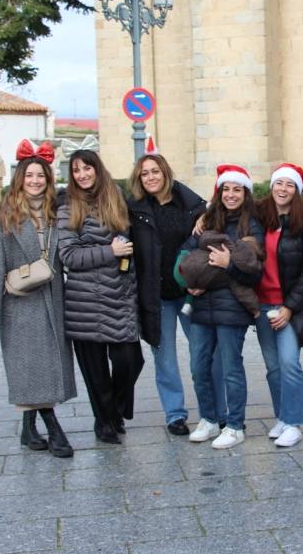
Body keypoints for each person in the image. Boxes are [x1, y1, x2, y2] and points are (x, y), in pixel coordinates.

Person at [0, 147, 77, 457]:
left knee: (43, 366)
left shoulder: (57, 210)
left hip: (54, 298)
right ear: (19, 179)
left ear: (48, 179)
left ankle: (27, 430)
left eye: (41, 175)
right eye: (29, 175)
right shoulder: (4, 214)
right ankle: (55, 431)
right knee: (32, 368)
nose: (35, 181)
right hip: (20, 303)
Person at [127, 154, 229, 436]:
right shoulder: (133, 209)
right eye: (144, 173)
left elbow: (213, 235)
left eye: (155, 171)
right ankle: (175, 414)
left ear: (166, 173)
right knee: (165, 359)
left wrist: (206, 216)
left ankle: (218, 412)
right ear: (139, 178)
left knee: (206, 354)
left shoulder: (190, 206)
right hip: (155, 295)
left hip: (189, 292)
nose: (150, 177)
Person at [58, 149, 142, 445]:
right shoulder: (68, 206)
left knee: (130, 361)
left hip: (119, 295)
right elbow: (68, 255)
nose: (82, 175)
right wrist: (110, 251)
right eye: (76, 170)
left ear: (97, 169)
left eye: (87, 169)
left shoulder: (115, 196)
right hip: (85, 301)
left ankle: (113, 411)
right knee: (95, 371)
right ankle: (104, 421)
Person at [182, 164, 264, 450]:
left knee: (231, 367)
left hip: (232, 307)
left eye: (237, 189)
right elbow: (187, 252)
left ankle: (235, 425)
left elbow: (254, 271)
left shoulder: (252, 225)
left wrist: (228, 265)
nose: (231, 194)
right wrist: (188, 282)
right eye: (226, 189)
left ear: (245, 193)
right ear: (219, 192)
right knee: (198, 365)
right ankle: (208, 418)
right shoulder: (205, 221)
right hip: (203, 305)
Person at [252, 163, 303, 447]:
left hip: (290, 305)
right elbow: (223, 214)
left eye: (289, 185)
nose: (283, 189)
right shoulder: (257, 215)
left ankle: (293, 422)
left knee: (289, 362)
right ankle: (282, 416)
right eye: (279, 183)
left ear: (297, 190)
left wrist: (289, 308)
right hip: (262, 304)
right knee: (273, 367)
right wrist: (202, 220)